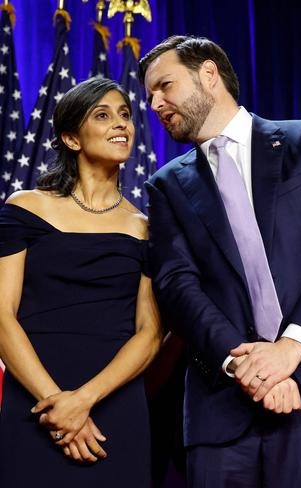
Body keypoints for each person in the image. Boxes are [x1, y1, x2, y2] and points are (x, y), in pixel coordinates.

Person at [138, 35, 301, 488]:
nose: (155, 103)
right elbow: (179, 286)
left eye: (165, 86)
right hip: (222, 407)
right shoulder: (167, 186)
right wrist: (248, 367)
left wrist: (289, 351)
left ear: (209, 75)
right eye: (150, 96)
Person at [0, 77, 162, 487]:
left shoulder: (147, 228)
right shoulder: (25, 207)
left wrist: (83, 401)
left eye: (125, 115)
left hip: (116, 402)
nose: (121, 125)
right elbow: (2, 316)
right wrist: (56, 403)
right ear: (72, 138)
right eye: (103, 115)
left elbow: (150, 333)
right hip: (34, 398)